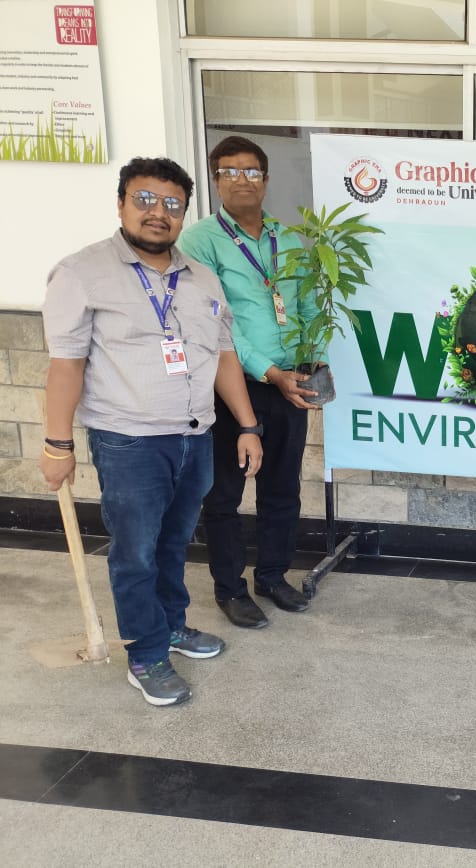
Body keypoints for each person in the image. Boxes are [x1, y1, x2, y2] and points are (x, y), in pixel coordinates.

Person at [40, 157, 263, 706]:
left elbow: (226, 356)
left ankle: (170, 624)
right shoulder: (81, 273)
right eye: (144, 200)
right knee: (136, 551)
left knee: (175, 540)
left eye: (171, 204)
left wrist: (248, 424)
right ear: (121, 204)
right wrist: (56, 442)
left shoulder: (202, 279)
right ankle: (145, 652)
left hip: (195, 438)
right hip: (129, 441)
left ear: (184, 213)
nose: (157, 214)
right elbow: (66, 363)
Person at [180, 136, 322, 629]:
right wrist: (271, 371)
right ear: (215, 180)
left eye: (252, 171)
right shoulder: (200, 241)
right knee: (224, 493)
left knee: (282, 487)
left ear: (266, 179)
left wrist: (306, 363)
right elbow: (218, 322)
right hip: (232, 384)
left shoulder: (287, 236)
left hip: (288, 384)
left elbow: (304, 303)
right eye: (230, 171)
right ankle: (230, 589)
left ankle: (273, 576)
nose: (242, 179)